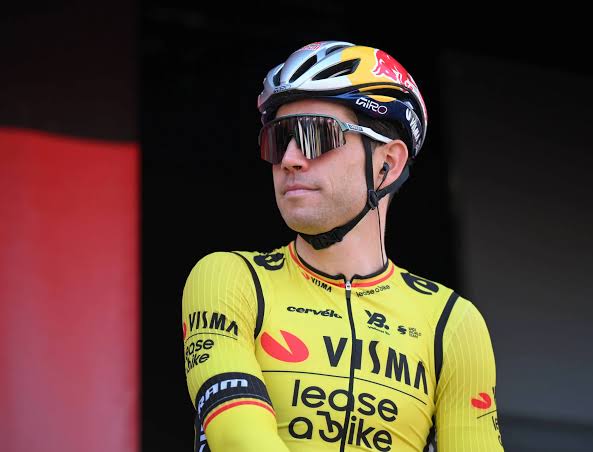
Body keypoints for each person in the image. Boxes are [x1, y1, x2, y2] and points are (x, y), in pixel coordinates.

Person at [182, 40, 504, 452]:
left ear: (388, 163)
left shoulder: (453, 323)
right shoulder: (229, 279)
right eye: (278, 139)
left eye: (315, 135)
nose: (290, 158)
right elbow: (239, 438)